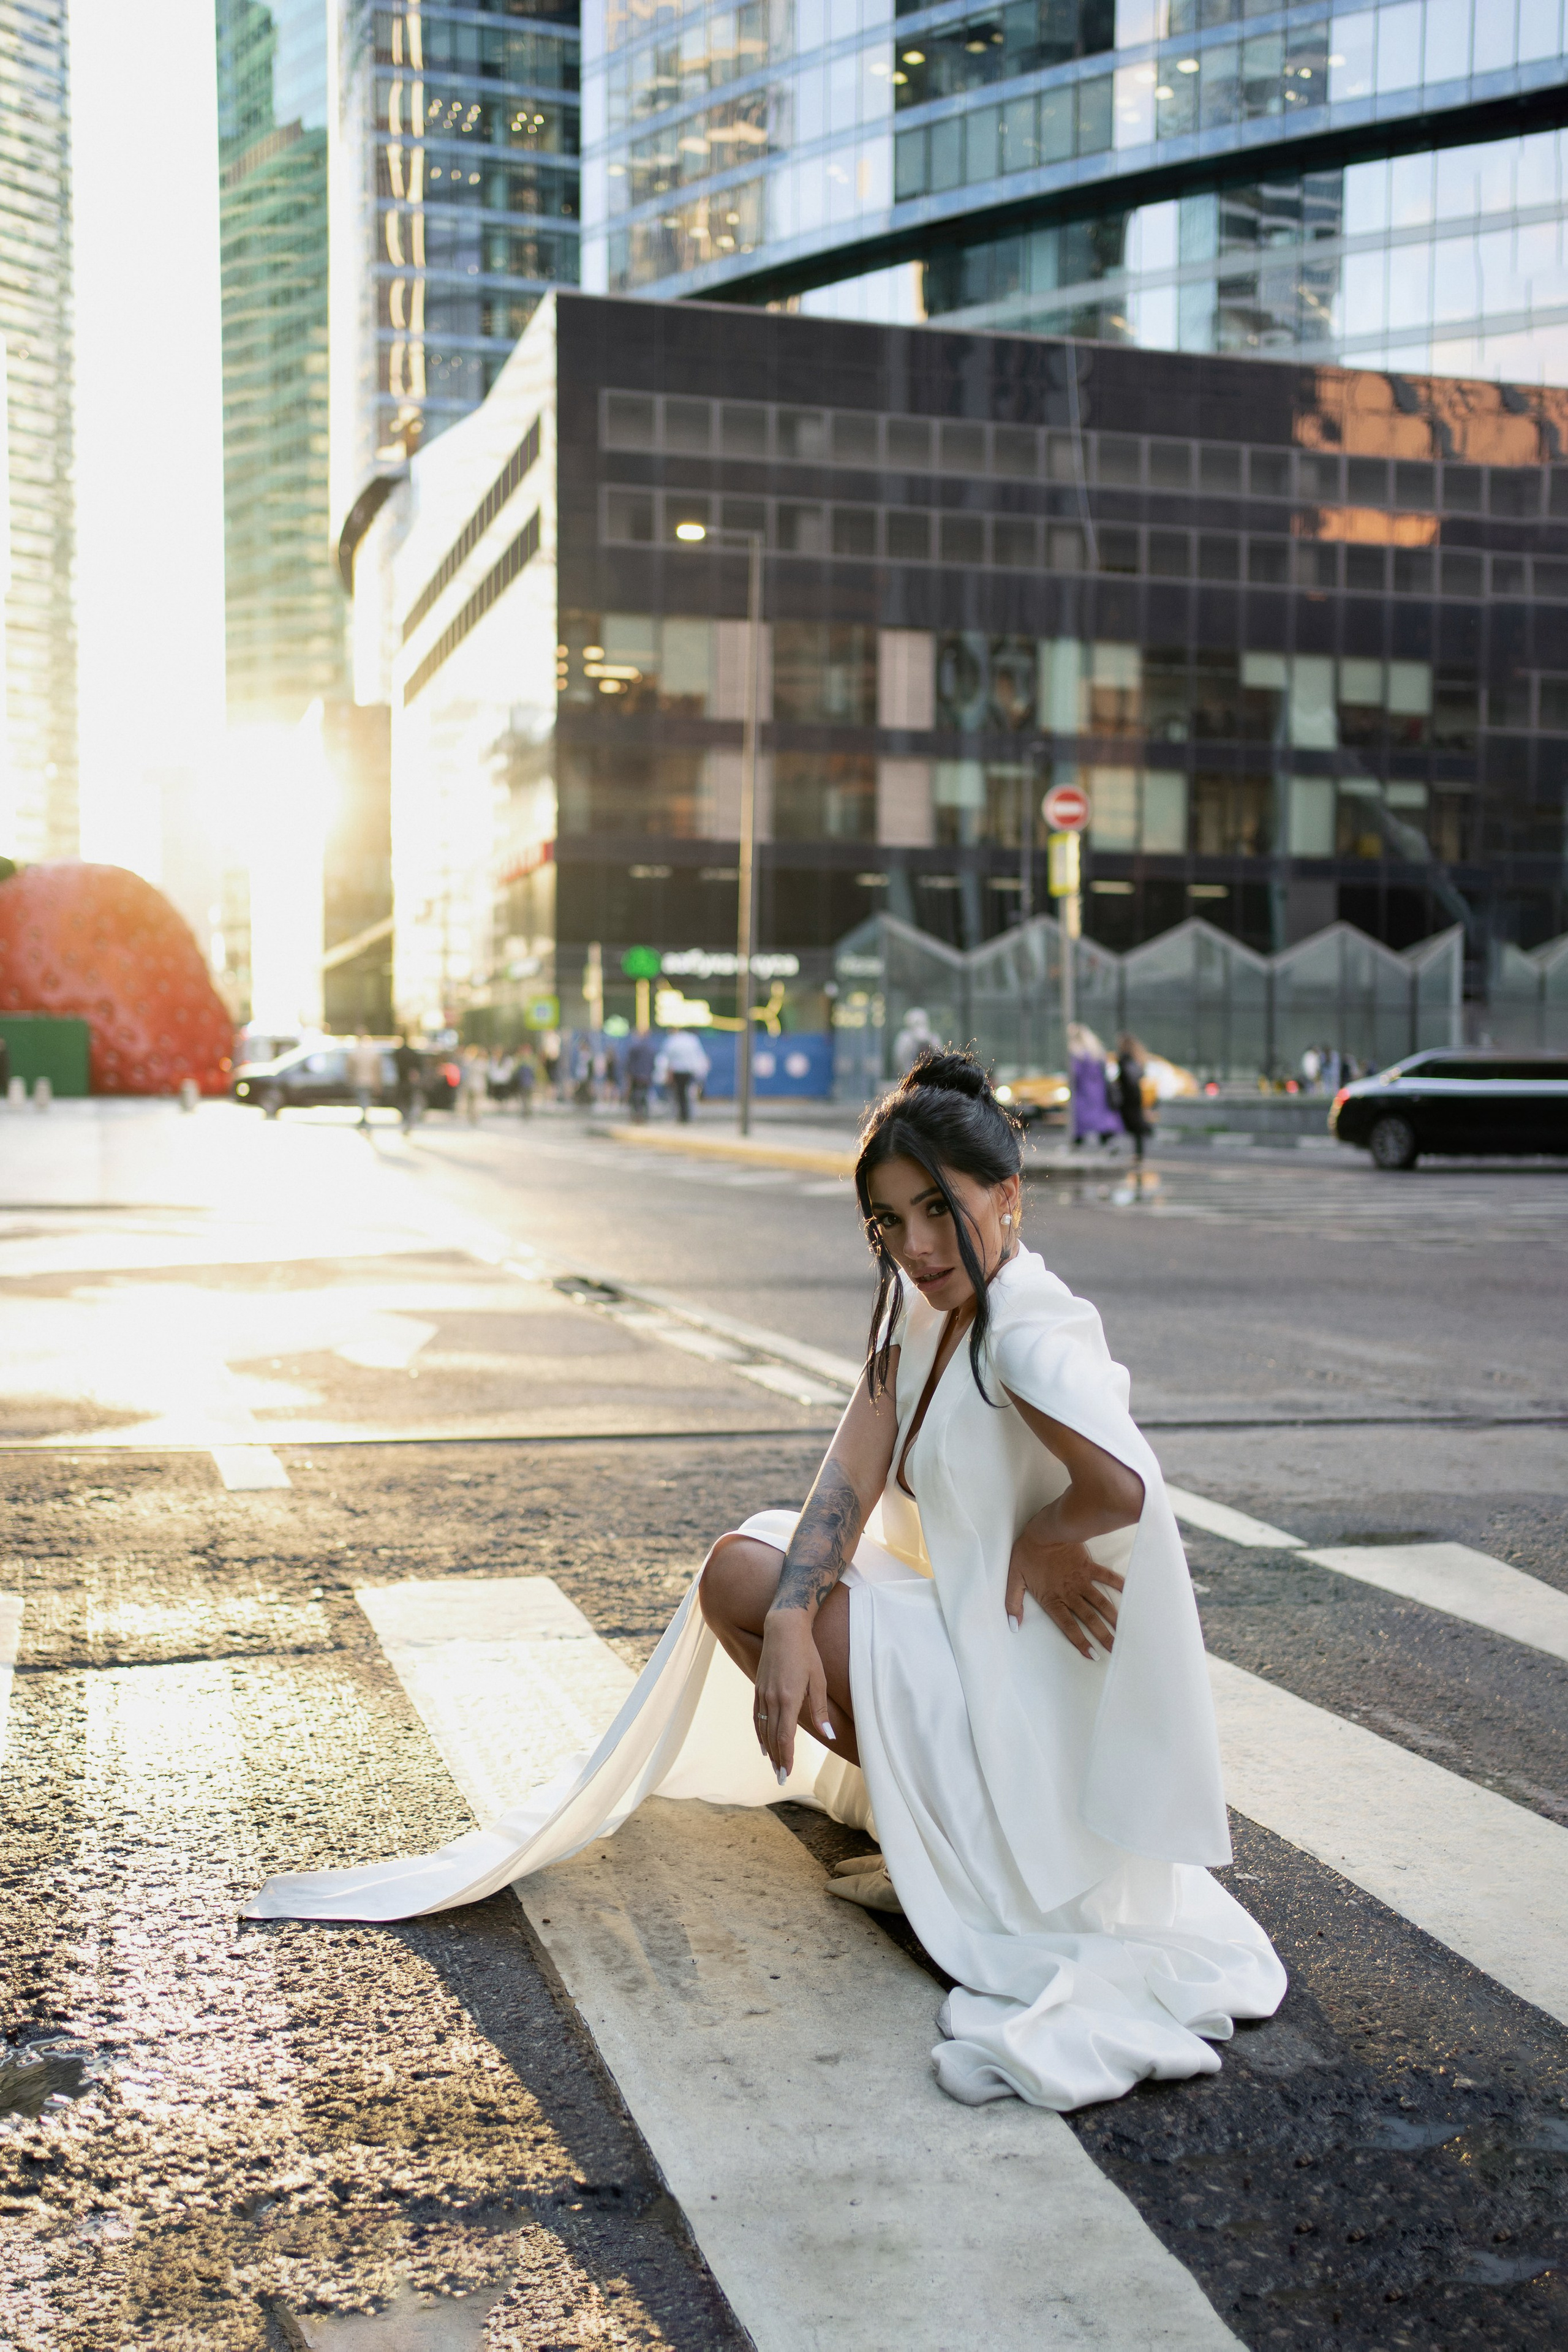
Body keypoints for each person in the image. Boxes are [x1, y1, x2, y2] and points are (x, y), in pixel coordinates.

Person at [247, 1048, 1286, 2113]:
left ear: (1006, 1196)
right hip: (979, 1652)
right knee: (749, 1572)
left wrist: (1045, 1539)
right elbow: (852, 1464)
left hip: (1022, 1695)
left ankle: (970, 1856)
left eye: (940, 1209)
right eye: (891, 1221)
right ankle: (929, 1828)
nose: (916, 1245)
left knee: (743, 1567)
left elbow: (1126, 1486)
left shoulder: (1023, 1324)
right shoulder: (922, 1310)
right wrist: (796, 1614)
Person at [1066, 1023, 1120, 1148]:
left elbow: (1075, 1074)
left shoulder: (1077, 1054)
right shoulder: (1096, 1052)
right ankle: (1107, 1143)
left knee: (1080, 1118)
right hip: (1099, 1092)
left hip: (1084, 1092)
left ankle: (1077, 1143)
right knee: (1100, 1118)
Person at [1114, 1031, 1151, 1165]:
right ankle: (1138, 1153)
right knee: (1136, 1126)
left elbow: (1125, 1078)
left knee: (1126, 1124)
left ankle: (1114, 1148)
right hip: (1135, 1096)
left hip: (1127, 1098)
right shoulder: (1136, 1059)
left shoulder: (1124, 1059)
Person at [662, 1026, 709, 1123]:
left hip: (678, 1070)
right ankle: (688, 1115)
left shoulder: (673, 1040)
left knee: (679, 1094)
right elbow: (698, 1056)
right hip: (690, 1070)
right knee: (688, 1094)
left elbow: (667, 1057)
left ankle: (681, 1115)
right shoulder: (692, 1039)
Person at [347, 1032, 382, 1127]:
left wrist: (350, 1078)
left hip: (359, 1079)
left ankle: (364, 1117)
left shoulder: (355, 1051)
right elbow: (377, 1067)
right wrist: (378, 1081)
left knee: (362, 1099)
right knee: (366, 1099)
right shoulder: (373, 1051)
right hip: (370, 1079)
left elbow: (350, 1067)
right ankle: (365, 1117)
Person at [624, 1029, 658, 1122]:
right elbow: (653, 1064)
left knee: (636, 1097)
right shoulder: (652, 1048)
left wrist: (630, 1075)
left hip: (636, 1076)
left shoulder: (635, 1047)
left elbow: (630, 1063)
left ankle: (637, 1115)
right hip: (647, 1076)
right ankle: (644, 1116)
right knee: (644, 1096)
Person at [392, 1037, 424, 1131]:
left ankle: (406, 1118)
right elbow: (419, 1066)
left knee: (402, 1101)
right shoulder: (413, 1053)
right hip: (410, 1081)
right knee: (409, 1101)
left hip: (402, 1081)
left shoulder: (398, 1053)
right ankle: (408, 1119)